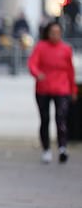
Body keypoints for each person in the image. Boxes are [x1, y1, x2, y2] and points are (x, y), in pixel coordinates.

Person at [28, 21, 78, 163]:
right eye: (52, 33)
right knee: (45, 119)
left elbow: (70, 71)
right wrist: (37, 73)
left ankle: (62, 147)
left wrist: (73, 89)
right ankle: (46, 148)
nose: (55, 35)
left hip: (62, 88)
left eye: (58, 33)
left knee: (61, 118)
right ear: (48, 33)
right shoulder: (41, 47)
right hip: (43, 88)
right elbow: (32, 63)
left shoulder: (66, 49)